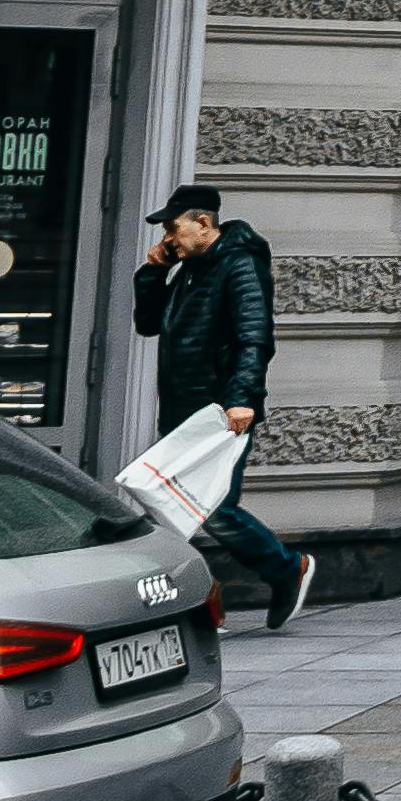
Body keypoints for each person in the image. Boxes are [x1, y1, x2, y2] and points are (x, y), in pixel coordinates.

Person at [132, 182, 312, 629]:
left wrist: (242, 400)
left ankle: (288, 569)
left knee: (210, 507)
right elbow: (148, 324)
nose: (169, 238)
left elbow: (255, 337)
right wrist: (153, 271)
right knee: (169, 503)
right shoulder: (191, 268)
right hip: (184, 410)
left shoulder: (240, 266)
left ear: (204, 223)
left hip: (219, 412)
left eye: (175, 228)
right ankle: (201, 602)